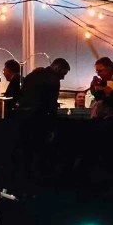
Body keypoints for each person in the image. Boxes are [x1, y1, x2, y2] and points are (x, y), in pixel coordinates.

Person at [16, 58, 71, 191]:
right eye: (63, 74)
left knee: (25, 155)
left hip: (23, 120)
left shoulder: (33, 75)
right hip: (39, 122)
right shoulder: (53, 80)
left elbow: (21, 94)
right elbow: (51, 106)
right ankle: (37, 187)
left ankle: (23, 185)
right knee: (39, 155)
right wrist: (52, 128)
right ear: (58, 68)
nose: (63, 78)